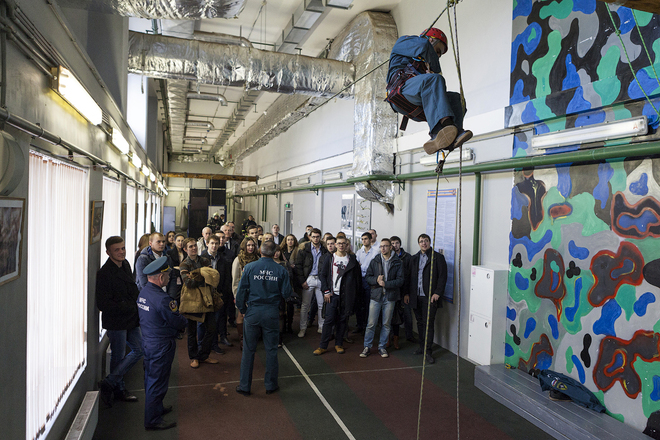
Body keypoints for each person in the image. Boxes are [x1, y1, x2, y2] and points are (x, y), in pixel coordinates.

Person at [385, 28, 472, 156]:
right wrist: (436, 71)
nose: (437, 56)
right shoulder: (404, 42)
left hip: (418, 102)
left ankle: (452, 136)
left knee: (457, 99)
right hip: (401, 91)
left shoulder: (426, 67)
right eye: (437, 51)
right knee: (434, 79)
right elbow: (424, 46)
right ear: (431, 40)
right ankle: (441, 129)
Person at [137, 256, 187, 431]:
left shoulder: (144, 293)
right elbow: (176, 320)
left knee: (150, 379)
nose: (169, 277)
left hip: (148, 341)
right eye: (167, 275)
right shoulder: (163, 299)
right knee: (157, 382)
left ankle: (156, 409)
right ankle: (152, 420)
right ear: (160, 277)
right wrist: (185, 321)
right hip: (161, 345)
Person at [235, 241, 292, 396]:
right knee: (271, 350)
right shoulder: (281, 270)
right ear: (275, 253)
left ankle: (245, 386)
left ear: (260, 250)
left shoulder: (250, 267)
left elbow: (240, 293)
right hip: (271, 313)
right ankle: (271, 385)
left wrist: (243, 310)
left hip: (253, 311)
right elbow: (287, 293)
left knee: (248, 350)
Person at [96, 236, 143, 407]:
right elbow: (102, 303)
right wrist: (126, 305)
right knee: (118, 356)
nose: (121, 252)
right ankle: (119, 389)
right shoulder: (104, 273)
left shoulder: (126, 264)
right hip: (116, 320)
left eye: (123, 248)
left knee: (139, 349)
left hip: (130, 317)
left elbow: (132, 288)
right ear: (108, 252)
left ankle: (109, 382)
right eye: (117, 249)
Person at [313, 236, 361, 356]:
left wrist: (355, 295)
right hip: (332, 295)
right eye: (339, 243)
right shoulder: (330, 258)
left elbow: (357, 279)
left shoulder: (352, 260)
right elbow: (322, 275)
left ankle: (338, 344)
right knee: (328, 321)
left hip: (346, 296)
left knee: (342, 321)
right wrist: (326, 291)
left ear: (347, 245)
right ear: (335, 245)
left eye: (343, 243)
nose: (341, 245)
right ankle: (322, 346)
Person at [407, 233, 447, 364]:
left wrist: (437, 293)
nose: (424, 243)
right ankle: (422, 347)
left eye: (426, 241)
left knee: (428, 324)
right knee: (420, 323)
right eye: (421, 241)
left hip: (430, 297)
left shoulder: (437, 258)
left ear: (430, 242)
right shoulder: (414, 258)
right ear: (418, 244)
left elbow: (442, 277)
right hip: (416, 296)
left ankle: (428, 351)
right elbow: (409, 277)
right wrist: (407, 294)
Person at [179, 238, 219, 368]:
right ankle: (194, 357)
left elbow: (211, 278)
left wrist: (195, 275)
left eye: (195, 246)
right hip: (191, 300)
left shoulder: (205, 260)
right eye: (190, 246)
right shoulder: (184, 264)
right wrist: (202, 275)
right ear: (185, 249)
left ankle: (204, 355)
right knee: (191, 332)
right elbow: (188, 283)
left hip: (206, 298)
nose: (194, 248)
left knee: (211, 328)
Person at [361, 238, 404, 358]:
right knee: (371, 323)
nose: (383, 248)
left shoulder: (397, 262)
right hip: (376, 296)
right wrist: (376, 280)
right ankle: (367, 346)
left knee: (386, 324)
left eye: (385, 246)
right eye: (381, 246)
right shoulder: (375, 260)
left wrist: (386, 284)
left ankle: (382, 347)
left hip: (390, 297)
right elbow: (368, 277)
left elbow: (400, 280)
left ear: (390, 247)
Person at [200, 234, 232, 352]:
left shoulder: (223, 260)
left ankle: (214, 345)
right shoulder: (201, 259)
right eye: (212, 243)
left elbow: (227, 278)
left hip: (218, 294)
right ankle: (201, 346)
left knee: (215, 321)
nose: (214, 246)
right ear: (207, 244)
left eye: (216, 243)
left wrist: (223, 293)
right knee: (203, 322)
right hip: (204, 294)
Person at [294, 228, 327, 337]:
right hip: (308, 278)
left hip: (320, 279)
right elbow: (298, 266)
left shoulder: (324, 250)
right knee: (305, 305)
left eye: (317, 237)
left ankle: (321, 327)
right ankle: (302, 328)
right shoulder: (304, 249)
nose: (315, 239)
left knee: (321, 305)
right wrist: (302, 281)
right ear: (310, 237)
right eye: (313, 237)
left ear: (320, 237)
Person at [232, 236, 260, 349]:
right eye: (248, 245)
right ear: (244, 246)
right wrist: (236, 296)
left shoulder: (258, 259)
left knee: (253, 316)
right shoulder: (238, 260)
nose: (251, 247)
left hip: (255, 293)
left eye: (252, 245)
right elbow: (235, 280)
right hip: (242, 292)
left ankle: (252, 338)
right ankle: (242, 339)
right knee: (241, 315)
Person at [390, 235, 415, 347]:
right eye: (392, 243)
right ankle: (392, 336)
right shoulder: (388, 257)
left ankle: (409, 335)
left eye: (397, 243)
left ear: (400, 244)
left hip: (404, 290)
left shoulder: (407, 257)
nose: (395, 245)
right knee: (392, 314)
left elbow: (410, 276)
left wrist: (407, 293)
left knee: (407, 314)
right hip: (393, 291)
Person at [354, 231, 378, 334]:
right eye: (362, 239)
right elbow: (356, 266)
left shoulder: (375, 253)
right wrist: (362, 266)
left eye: (366, 239)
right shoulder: (359, 252)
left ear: (370, 239)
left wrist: (362, 266)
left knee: (368, 304)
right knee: (359, 304)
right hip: (360, 280)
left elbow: (373, 268)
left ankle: (367, 327)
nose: (364, 241)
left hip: (369, 280)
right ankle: (359, 325)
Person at [279, 234, 300, 334]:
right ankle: (283, 326)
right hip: (283, 280)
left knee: (290, 304)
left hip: (293, 279)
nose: (290, 241)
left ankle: (290, 325)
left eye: (292, 239)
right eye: (288, 239)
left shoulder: (297, 251)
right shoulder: (282, 252)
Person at [166, 233, 187, 300]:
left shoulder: (186, 253)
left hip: (184, 277)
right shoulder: (169, 252)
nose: (180, 243)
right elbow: (169, 266)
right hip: (174, 277)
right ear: (174, 241)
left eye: (182, 241)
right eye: (178, 240)